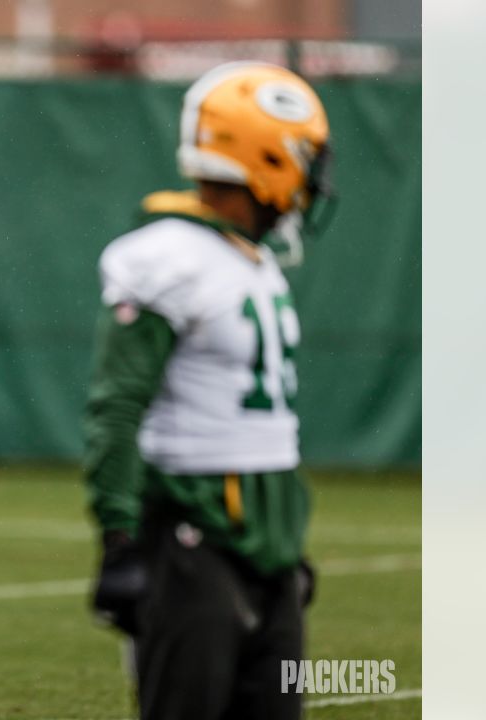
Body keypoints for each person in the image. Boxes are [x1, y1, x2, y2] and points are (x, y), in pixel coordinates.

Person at [83, 62, 332, 720]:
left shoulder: (255, 259)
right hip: (194, 534)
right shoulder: (168, 257)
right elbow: (117, 405)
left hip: (266, 538)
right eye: (303, 156)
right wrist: (118, 540)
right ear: (267, 156)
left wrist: (284, 544)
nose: (312, 177)